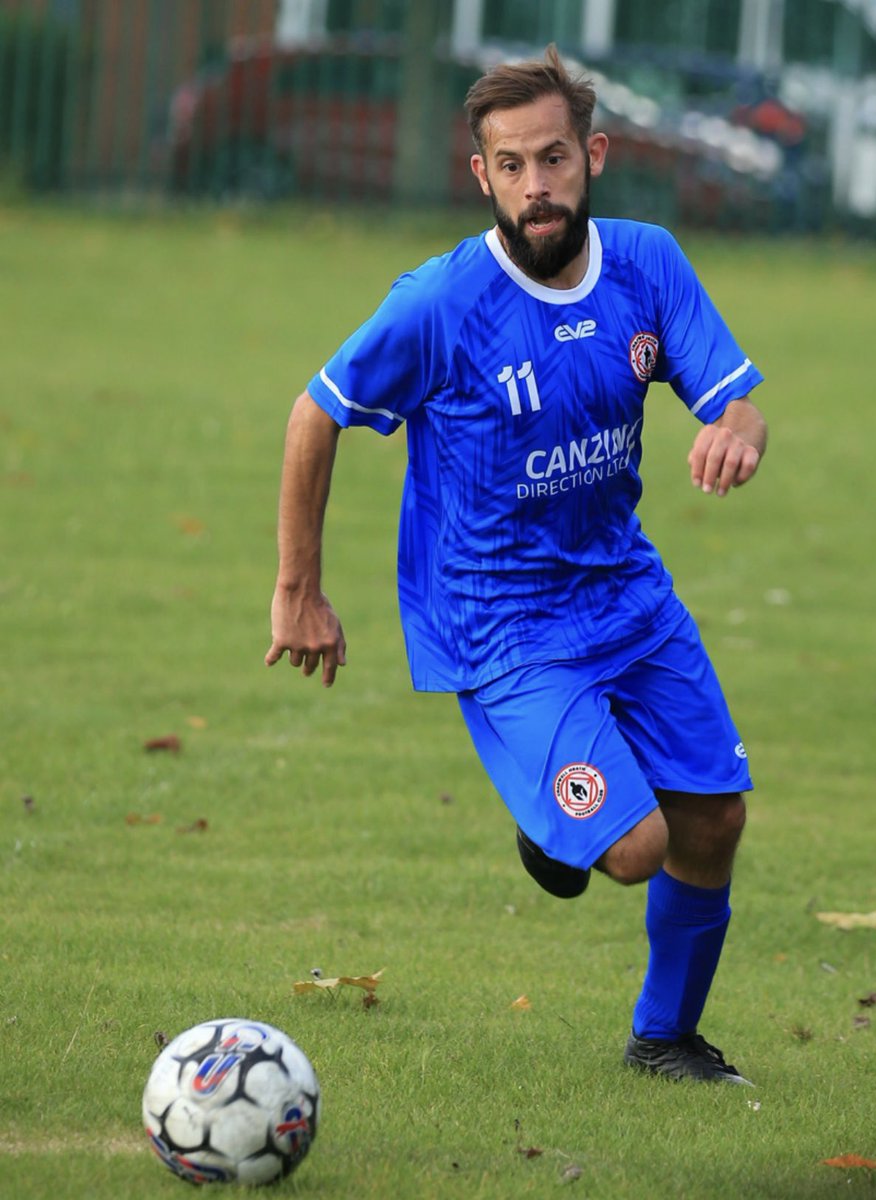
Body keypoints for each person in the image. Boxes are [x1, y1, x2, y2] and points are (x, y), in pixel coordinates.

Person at [266, 46, 767, 1085]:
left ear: (593, 154)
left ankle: (664, 1038)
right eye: (511, 166)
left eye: (552, 158)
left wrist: (737, 426)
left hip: (626, 591)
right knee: (632, 849)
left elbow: (731, 395)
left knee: (715, 818)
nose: (535, 186)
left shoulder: (649, 263)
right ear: (481, 175)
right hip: (500, 622)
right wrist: (298, 591)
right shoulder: (442, 304)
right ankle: (562, 834)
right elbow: (315, 413)